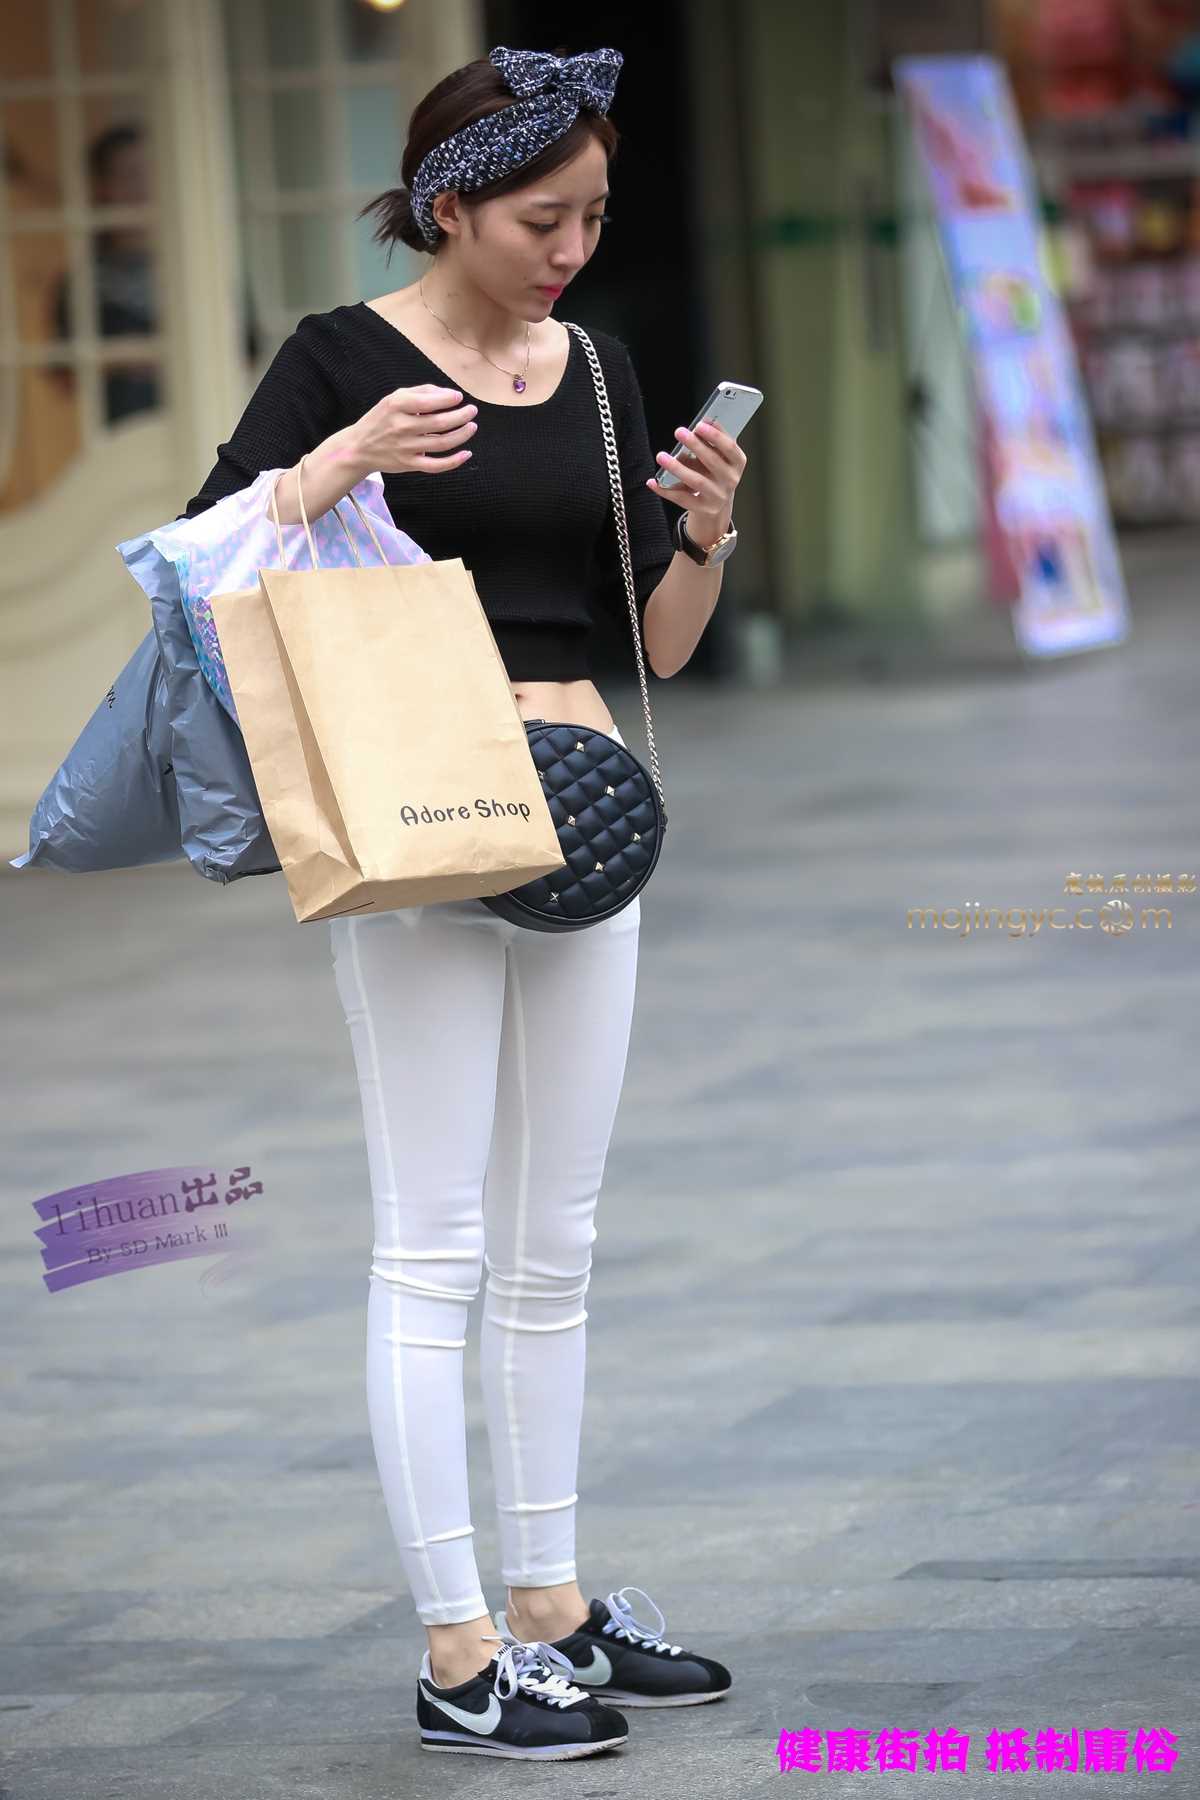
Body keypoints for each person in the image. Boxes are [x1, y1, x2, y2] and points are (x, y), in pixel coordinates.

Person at [182, 43, 748, 1763]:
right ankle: (455, 1649)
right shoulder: (339, 358)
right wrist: (339, 459)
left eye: (592, 217)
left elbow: (655, 647)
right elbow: (204, 572)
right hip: (421, 807)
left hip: (587, 815)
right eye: (537, 218)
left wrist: (707, 537)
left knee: (555, 1241)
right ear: (448, 205)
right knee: (433, 1242)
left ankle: (553, 1606)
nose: (570, 248)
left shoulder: (598, 370)